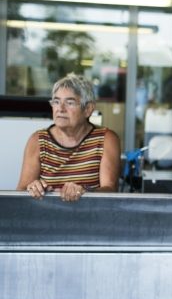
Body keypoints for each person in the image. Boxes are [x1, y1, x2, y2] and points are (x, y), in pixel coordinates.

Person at [17, 73, 121, 202]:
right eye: (56, 101)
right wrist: (33, 188)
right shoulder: (38, 140)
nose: (60, 109)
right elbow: (20, 193)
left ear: (88, 109)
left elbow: (111, 189)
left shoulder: (106, 139)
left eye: (70, 103)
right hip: (47, 217)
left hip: (91, 217)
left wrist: (86, 191)